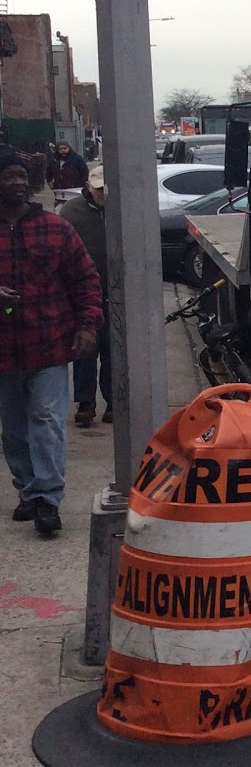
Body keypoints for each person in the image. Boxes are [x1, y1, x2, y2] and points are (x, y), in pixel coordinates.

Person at [0, 145, 102, 536]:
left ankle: (47, 500)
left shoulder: (56, 229)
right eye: (8, 176)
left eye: (21, 176)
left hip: (48, 345)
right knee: (13, 430)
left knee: (46, 419)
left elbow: (85, 281)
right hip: (5, 352)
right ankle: (27, 489)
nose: (17, 183)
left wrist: (88, 326)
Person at [58, 171, 111, 427]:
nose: (103, 194)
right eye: (99, 189)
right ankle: (85, 403)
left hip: (115, 293)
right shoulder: (72, 211)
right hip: (82, 294)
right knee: (86, 350)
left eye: (106, 189)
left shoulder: (121, 207)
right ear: (89, 187)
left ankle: (114, 401)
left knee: (115, 350)